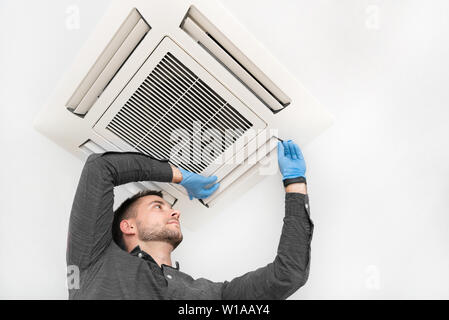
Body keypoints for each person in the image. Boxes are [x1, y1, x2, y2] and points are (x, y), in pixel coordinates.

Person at [66, 139, 314, 299]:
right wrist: (179, 176)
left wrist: (295, 184)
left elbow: (287, 275)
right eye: (157, 206)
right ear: (128, 226)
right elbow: (100, 169)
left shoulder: (208, 295)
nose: (175, 212)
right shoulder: (94, 260)